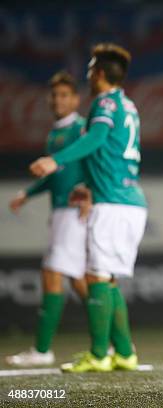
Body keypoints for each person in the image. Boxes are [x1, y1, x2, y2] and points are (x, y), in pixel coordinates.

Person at [29, 43, 148, 373]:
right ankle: (124, 352)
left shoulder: (104, 102)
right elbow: (109, 151)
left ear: (98, 74)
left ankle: (98, 354)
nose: (87, 76)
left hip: (113, 205)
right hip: (129, 200)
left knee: (95, 275)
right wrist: (88, 186)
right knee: (106, 278)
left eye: (89, 70)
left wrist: (55, 160)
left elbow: (96, 139)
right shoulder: (129, 104)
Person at [6, 71, 89, 367]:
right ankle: (112, 342)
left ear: (75, 99)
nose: (58, 100)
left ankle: (42, 350)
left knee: (53, 274)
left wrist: (88, 190)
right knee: (79, 279)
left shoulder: (81, 129)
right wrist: (27, 193)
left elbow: (95, 163)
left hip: (73, 213)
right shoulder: (54, 134)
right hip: (60, 213)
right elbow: (52, 176)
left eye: (64, 95)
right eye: (54, 95)